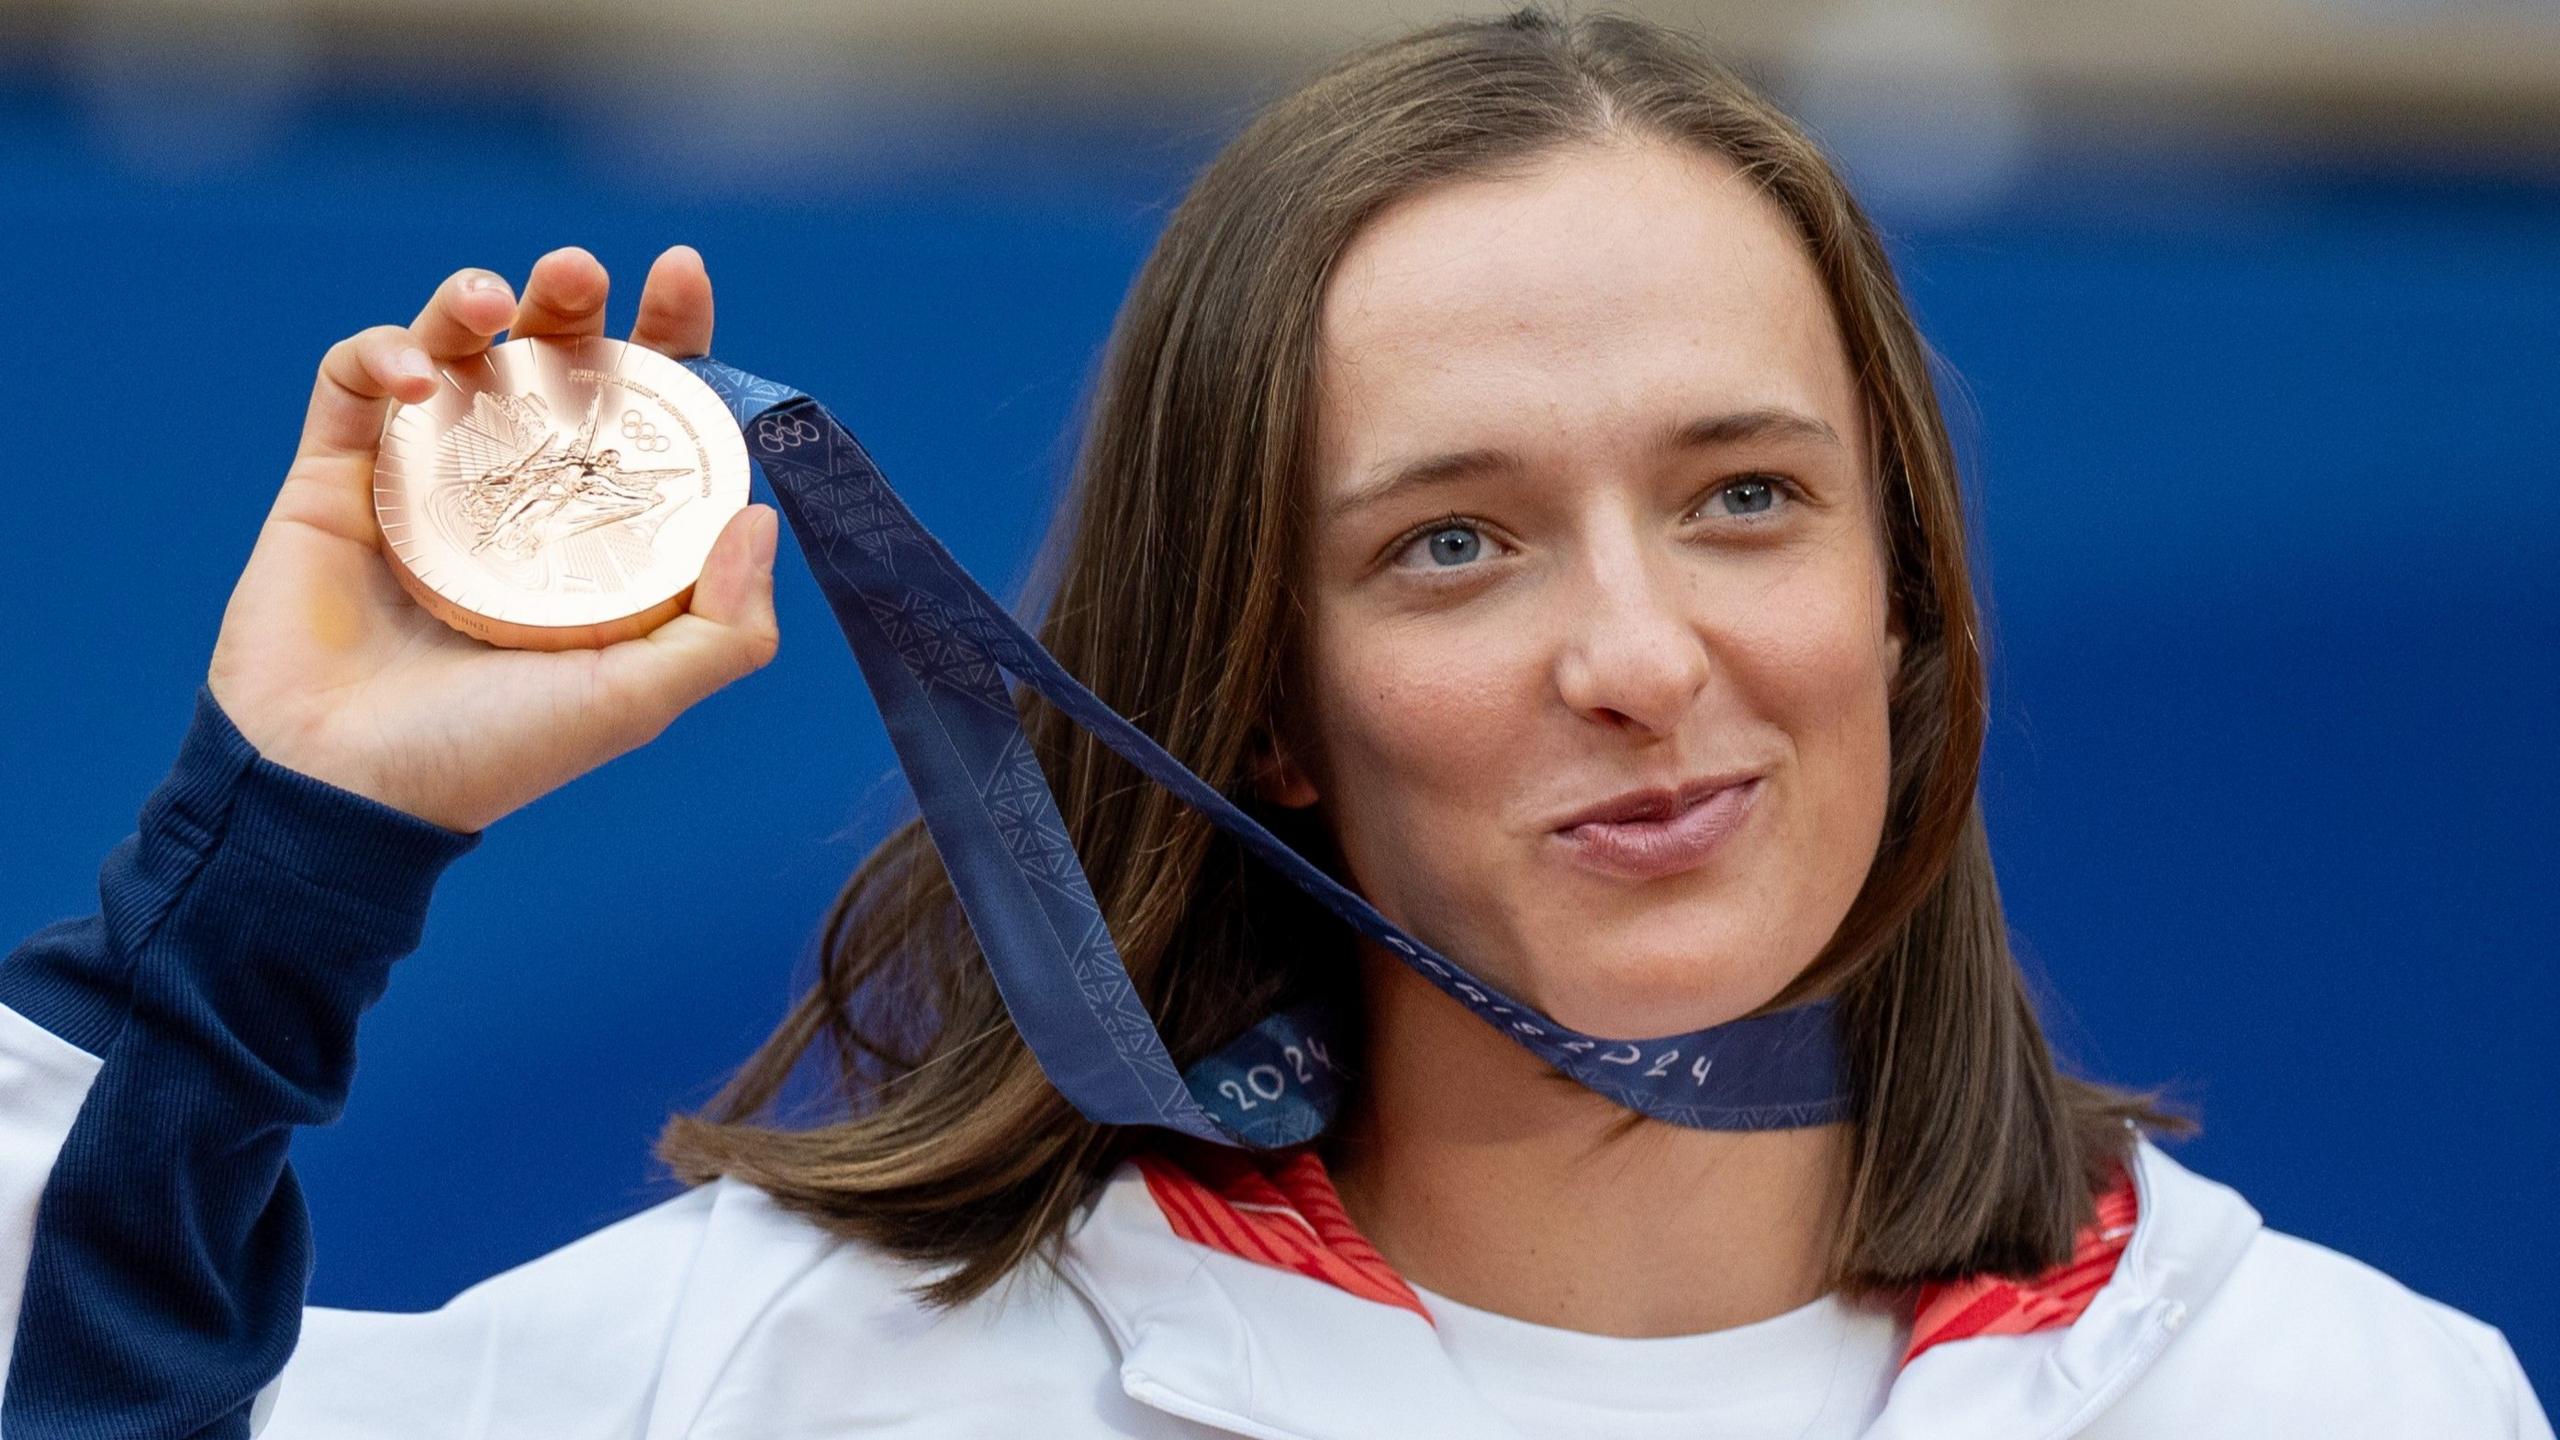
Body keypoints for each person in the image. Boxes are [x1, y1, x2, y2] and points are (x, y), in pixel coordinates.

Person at [0, 8, 2546, 1438]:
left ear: (1904, 602)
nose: (1639, 657)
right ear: (1269, 701)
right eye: (1451, 542)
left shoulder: (2326, 1403)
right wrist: (290, 834)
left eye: (1748, 498)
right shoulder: (798, 1383)